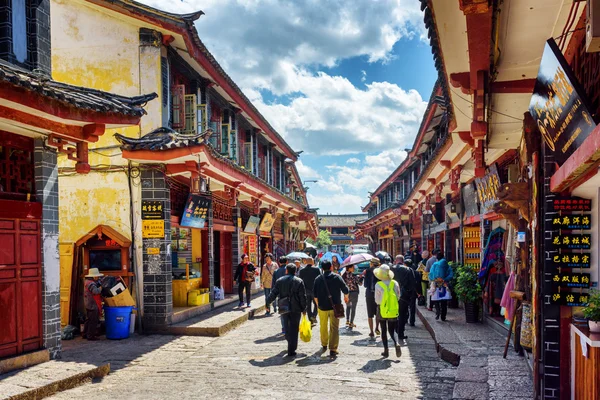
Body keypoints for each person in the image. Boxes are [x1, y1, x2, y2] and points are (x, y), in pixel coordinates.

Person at [266, 263, 307, 357]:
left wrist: (267, 302)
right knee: (294, 328)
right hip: (296, 308)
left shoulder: (280, 281)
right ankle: (292, 348)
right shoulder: (299, 281)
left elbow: (274, 293)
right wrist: (304, 308)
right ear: (295, 271)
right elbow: (302, 296)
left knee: (287, 326)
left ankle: (290, 342)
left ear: (286, 271)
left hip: (284, 306)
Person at [313, 260, 349, 357]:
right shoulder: (337, 277)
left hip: (322, 307)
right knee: (334, 327)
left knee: (323, 326)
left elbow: (315, 295)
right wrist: (346, 297)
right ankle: (333, 348)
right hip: (335, 307)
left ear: (322, 268)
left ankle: (324, 344)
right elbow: (345, 289)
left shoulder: (318, 279)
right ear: (331, 267)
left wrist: (318, 305)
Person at [374, 264, 402, 358]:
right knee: (392, 329)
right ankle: (396, 342)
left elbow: (377, 300)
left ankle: (386, 350)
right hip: (393, 310)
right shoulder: (395, 283)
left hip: (382, 309)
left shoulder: (378, 285)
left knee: (384, 330)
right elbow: (398, 296)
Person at [391, 255, 417, 341]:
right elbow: (413, 283)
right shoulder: (408, 270)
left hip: (392, 295)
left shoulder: (391, 269)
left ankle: (395, 328)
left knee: (394, 313)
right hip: (404, 296)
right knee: (402, 314)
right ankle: (400, 332)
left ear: (395, 260)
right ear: (403, 261)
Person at [428, 250, 454, 321]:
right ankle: (443, 316)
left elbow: (431, 274)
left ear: (437, 258)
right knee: (444, 301)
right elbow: (451, 274)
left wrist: (434, 279)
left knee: (436, 299)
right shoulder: (447, 265)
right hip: (444, 284)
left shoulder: (435, 264)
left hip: (436, 284)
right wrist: (444, 279)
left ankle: (437, 311)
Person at [362, 257, 381, 338]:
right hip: (379, 293)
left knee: (370, 314)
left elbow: (365, 285)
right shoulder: (381, 271)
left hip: (369, 293)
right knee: (378, 312)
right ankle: (377, 327)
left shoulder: (367, 271)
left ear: (371, 263)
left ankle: (371, 331)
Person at [298, 257, 321, 325]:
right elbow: (319, 280)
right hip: (315, 290)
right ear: (312, 262)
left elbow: (300, 281)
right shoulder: (316, 269)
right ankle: (314, 315)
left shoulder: (302, 271)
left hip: (306, 290)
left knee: (308, 305)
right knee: (316, 304)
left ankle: (310, 318)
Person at [84, 268, 104, 340]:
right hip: (93, 304)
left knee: (88, 320)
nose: (98, 277)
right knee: (93, 320)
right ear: (94, 276)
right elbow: (96, 291)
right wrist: (101, 287)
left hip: (88, 303)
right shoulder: (91, 283)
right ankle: (90, 336)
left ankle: (85, 334)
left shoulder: (86, 281)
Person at [404, 258, 422, 327]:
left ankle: (405, 319)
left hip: (406, 292)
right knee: (412, 307)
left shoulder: (404, 272)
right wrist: (419, 292)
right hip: (413, 292)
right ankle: (412, 321)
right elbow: (418, 283)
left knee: (405, 306)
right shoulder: (416, 273)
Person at [342, 264, 360, 329]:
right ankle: (351, 322)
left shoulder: (343, 275)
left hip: (347, 293)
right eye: (352, 267)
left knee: (348, 306)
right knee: (353, 308)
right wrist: (360, 278)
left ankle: (347, 320)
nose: (354, 268)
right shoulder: (353, 275)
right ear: (349, 268)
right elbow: (359, 283)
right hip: (354, 292)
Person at [273, 256, 288, 333]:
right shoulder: (289, 270)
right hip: (289, 294)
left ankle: (283, 328)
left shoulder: (276, 272)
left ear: (279, 262)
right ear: (286, 262)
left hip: (280, 294)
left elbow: (274, 285)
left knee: (282, 311)